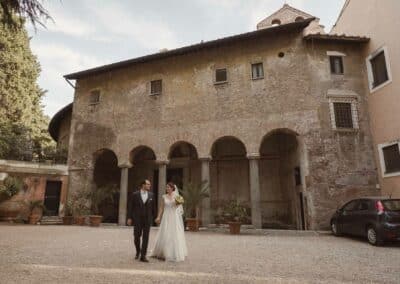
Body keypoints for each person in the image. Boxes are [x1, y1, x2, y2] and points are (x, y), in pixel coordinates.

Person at [151, 182, 187, 262]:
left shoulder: (177, 197)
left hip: (174, 217)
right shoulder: (164, 197)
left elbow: (178, 207)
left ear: (172, 188)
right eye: (166, 187)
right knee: (165, 233)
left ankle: (173, 252)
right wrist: (158, 216)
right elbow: (161, 208)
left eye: (168, 187)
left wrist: (178, 204)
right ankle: (163, 252)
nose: (167, 189)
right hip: (166, 216)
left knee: (174, 234)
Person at [127, 179, 155, 262]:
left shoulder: (151, 195)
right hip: (137, 219)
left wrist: (152, 218)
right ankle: (138, 251)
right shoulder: (135, 194)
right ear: (143, 185)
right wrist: (129, 218)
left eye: (149, 184)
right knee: (136, 236)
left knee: (146, 237)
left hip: (147, 219)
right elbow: (130, 207)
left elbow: (153, 208)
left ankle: (143, 255)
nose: (149, 186)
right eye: (148, 184)